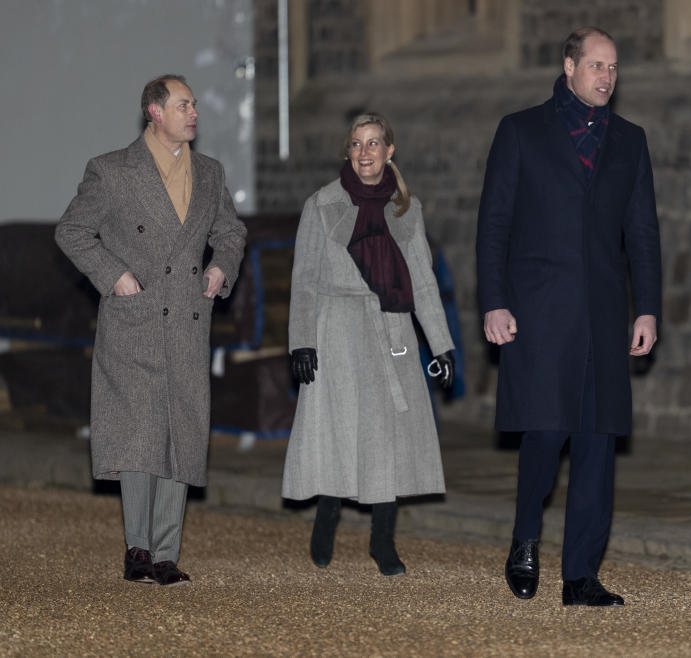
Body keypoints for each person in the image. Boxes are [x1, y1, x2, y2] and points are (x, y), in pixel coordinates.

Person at [476, 27, 661, 607]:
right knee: (545, 430)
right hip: (538, 310)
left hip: (606, 315)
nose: (606, 77)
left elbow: (644, 235)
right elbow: (494, 226)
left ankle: (580, 574)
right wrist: (494, 300)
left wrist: (649, 309)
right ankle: (525, 537)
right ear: (570, 65)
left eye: (614, 67)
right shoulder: (521, 130)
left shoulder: (630, 141)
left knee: (597, 442)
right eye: (597, 65)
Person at [55, 74, 247, 586]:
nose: (195, 113)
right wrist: (113, 274)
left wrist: (220, 269)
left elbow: (231, 232)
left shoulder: (209, 173)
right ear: (155, 112)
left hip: (186, 317)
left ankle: (166, 553)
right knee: (139, 433)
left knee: (180, 431)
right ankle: (137, 548)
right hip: (134, 318)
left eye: (195, 104)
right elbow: (72, 230)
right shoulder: (112, 170)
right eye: (184, 104)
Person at [283, 112, 455, 576]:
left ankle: (383, 541)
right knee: (337, 429)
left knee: (386, 437)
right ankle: (327, 516)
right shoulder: (320, 205)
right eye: (357, 144)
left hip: (392, 329)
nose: (365, 153)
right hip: (336, 329)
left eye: (374, 143)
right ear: (348, 152)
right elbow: (304, 281)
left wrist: (441, 345)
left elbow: (422, 280)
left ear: (389, 151)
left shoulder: (406, 208)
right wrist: (301, 342)